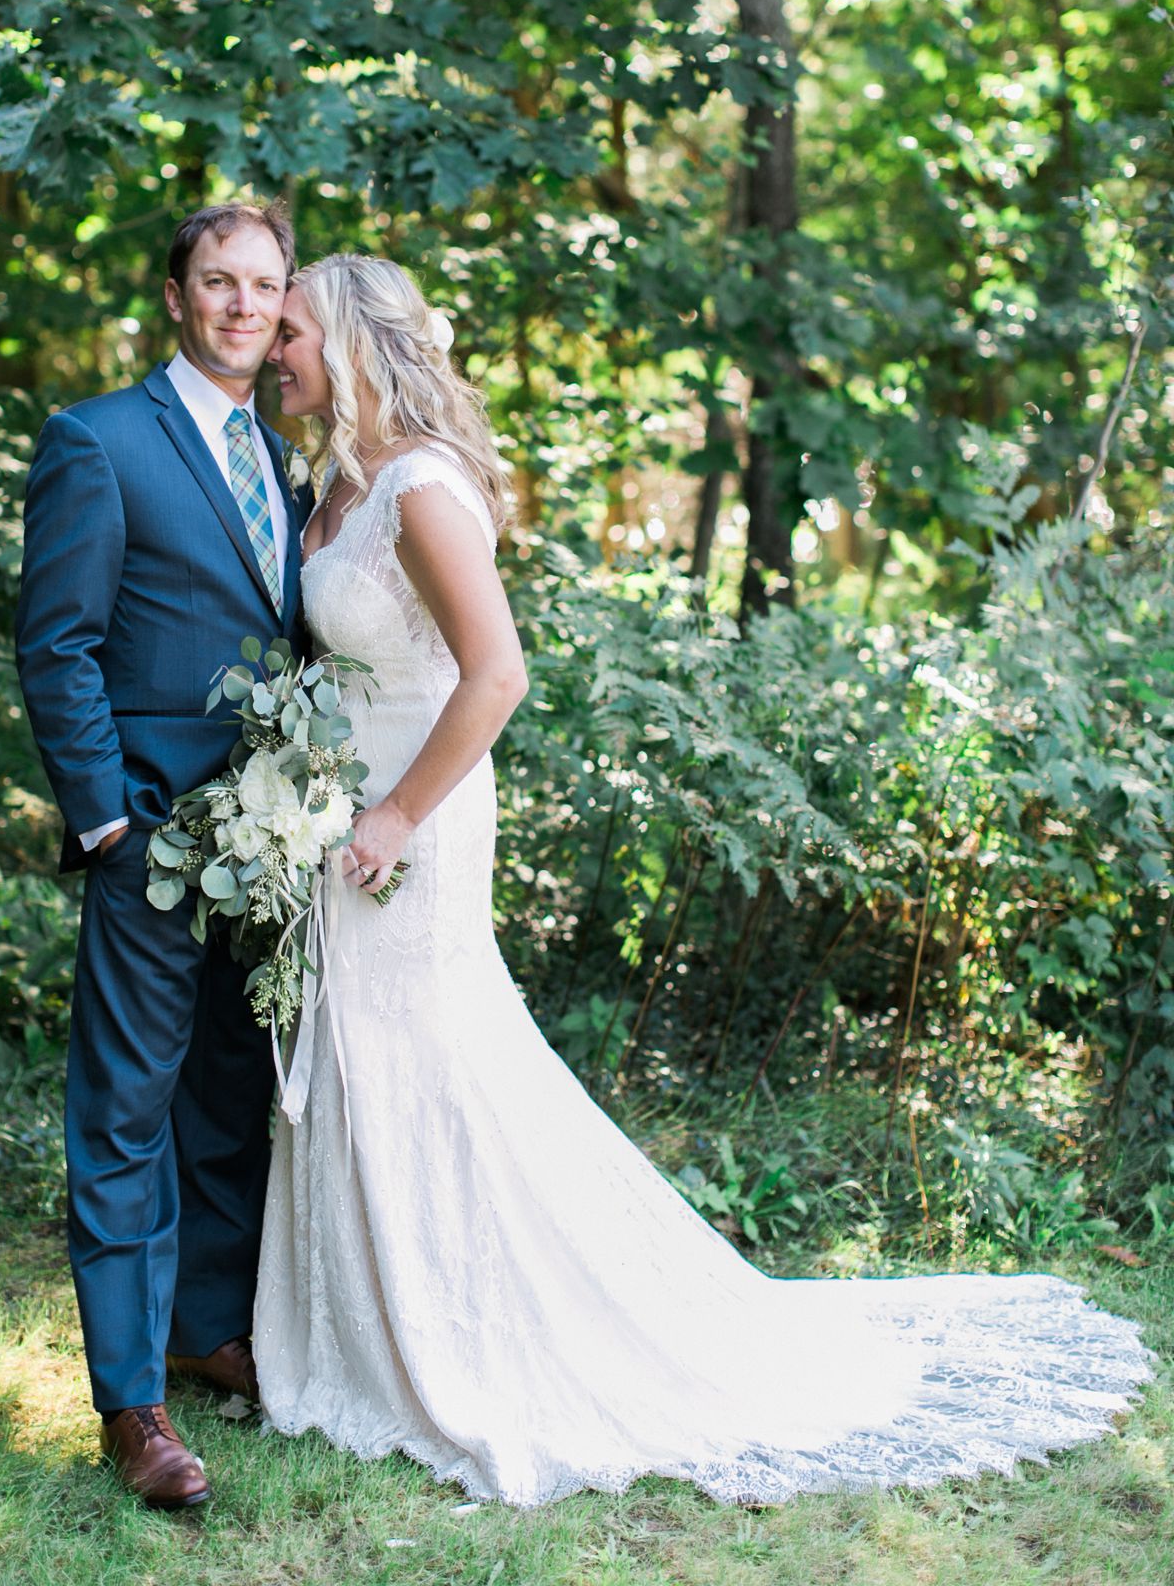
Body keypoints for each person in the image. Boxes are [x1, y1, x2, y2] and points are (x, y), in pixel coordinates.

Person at [251, 249, 1155, 1511]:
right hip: (339, 819)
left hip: (414, 822)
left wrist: (395, 815)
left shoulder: (419, 490)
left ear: (347, 340)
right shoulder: (329, 479)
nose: (270, 346)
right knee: (365, 1054)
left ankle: (482, 1336)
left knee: (430, 1062)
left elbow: (495, 676)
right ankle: (373, 1330)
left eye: (289, 327)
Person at [15, 200, 309, 1510]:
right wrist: (108, 821)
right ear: (179, 296)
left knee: (231, 1087)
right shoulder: (99, 441)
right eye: (218, 281)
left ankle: (205, 1330)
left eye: (263, 284)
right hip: (148, 834)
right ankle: (131, 1402)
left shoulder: (286, 458)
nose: (243, 304)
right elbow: (59, 644)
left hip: (269, 844)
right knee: (127, 1110)